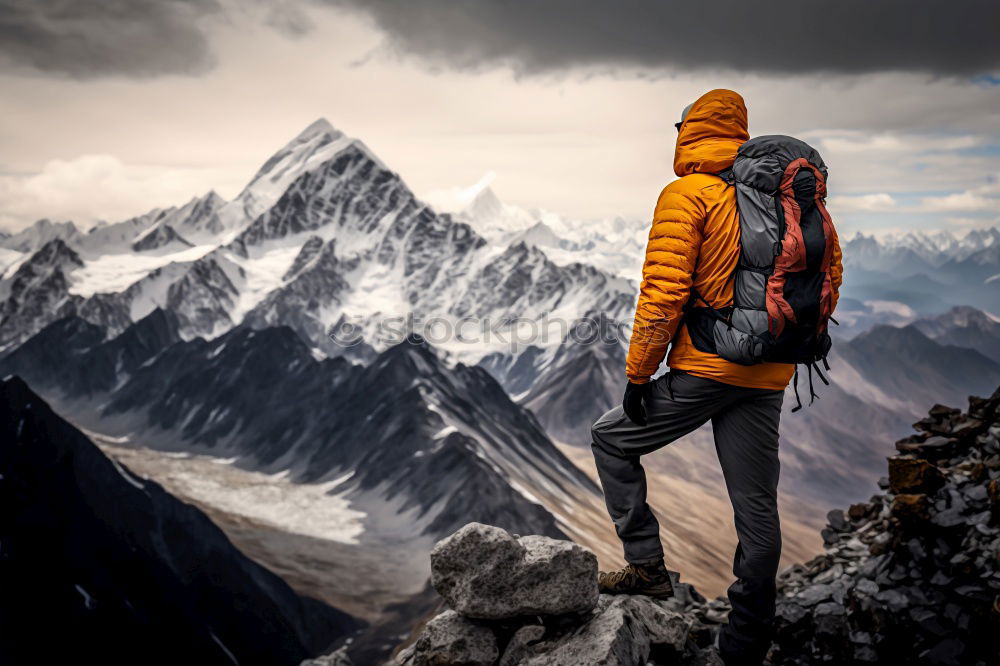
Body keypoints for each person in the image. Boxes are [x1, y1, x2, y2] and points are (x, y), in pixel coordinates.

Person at [590, 89, 843, 666]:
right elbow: (831, 271)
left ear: (689, 131)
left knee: (611, 438)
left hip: (707, 367)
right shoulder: (785, 199)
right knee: (756, 508)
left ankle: (647, 566)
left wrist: (638, 373)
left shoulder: (688, 193)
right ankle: (747, 641)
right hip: (770, 372)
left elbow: (664, 290)